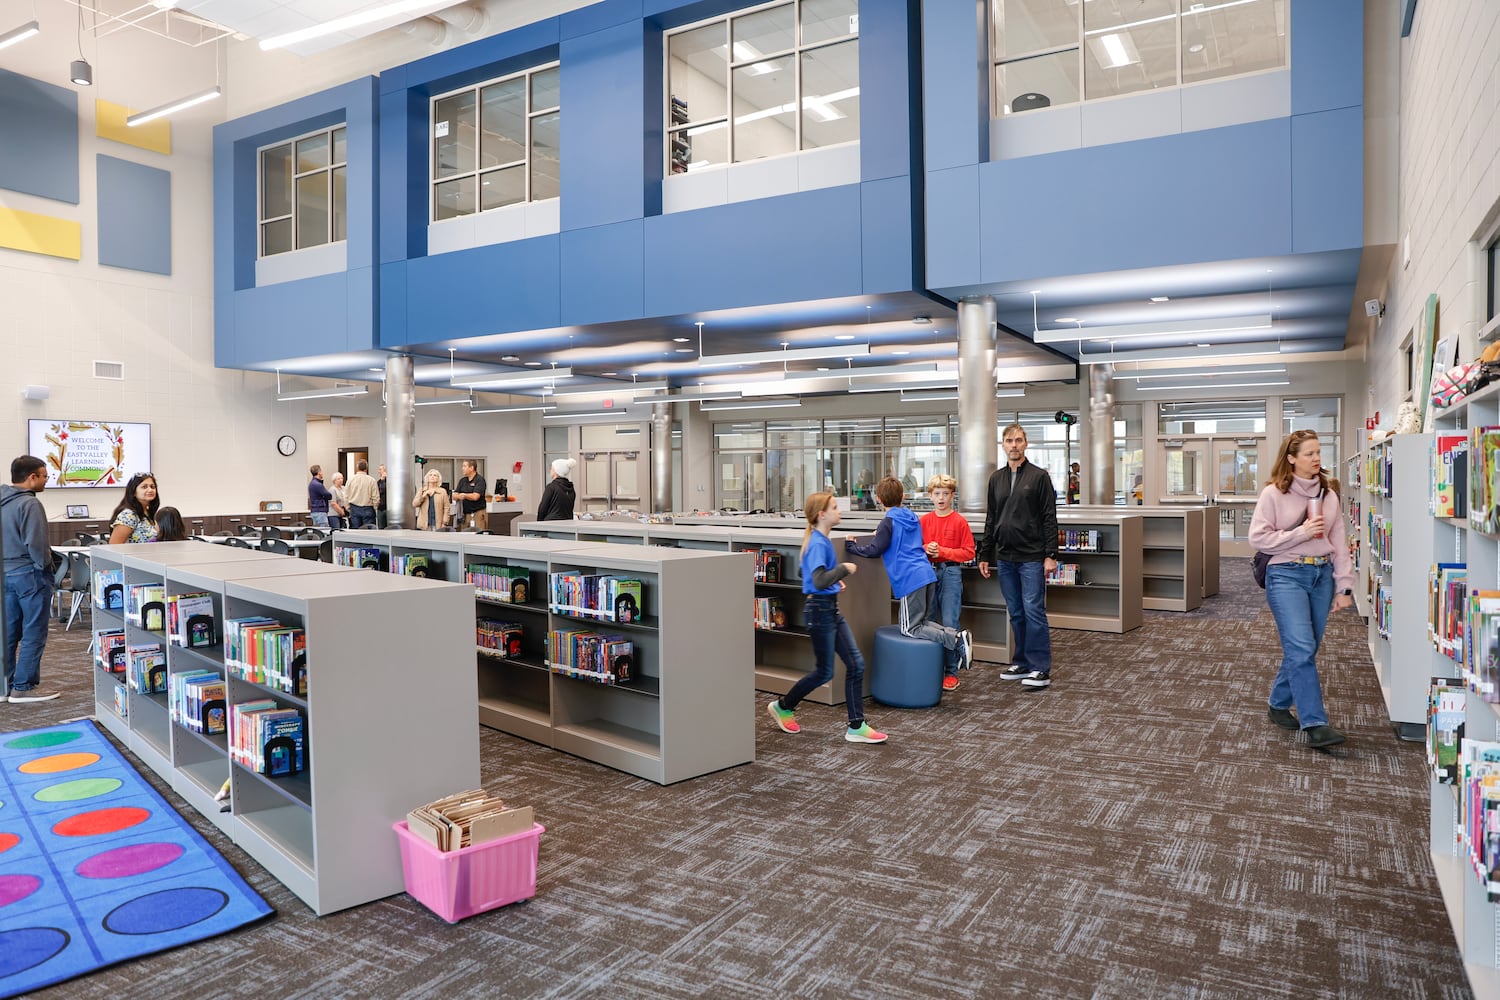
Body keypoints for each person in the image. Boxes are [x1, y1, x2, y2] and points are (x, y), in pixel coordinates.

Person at [1248, 429, 1352, 750]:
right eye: (1309, 453)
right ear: (1291, 459)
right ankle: (1315, 723)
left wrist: (1344, 586)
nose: (1317, 458)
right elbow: (1258, 538)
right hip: (1286, 575)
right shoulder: (1273, 494)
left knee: (1305, 649)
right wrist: (1301, 533)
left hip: (1321, 576)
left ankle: (1278, 703)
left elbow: (1339, 543)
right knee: (1302, 647)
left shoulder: (1329, 494)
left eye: (1318, 452)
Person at [765, 491, 887, 744]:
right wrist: (844, 569)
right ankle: (783, 706)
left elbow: (806, 573)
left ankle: (856, 726)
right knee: (824, 672)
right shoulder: (819, 542)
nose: (839, 510)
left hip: (828, 608)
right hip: (820, 612)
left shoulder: (819, 540)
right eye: (834, 507)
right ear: (822, 515)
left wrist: (834, 582)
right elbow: (818, 580)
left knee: (855, 664)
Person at [846, 476, 972, 669]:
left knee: (909, 628)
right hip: (926, 573)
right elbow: (897, 536)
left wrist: (851, 546)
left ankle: (955, 639)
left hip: (909, 578)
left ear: (878, 499)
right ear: (903, 497)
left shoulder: (888, 522)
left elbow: (873, 550)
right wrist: (880, 533)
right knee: (923, 622)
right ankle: (955, 636)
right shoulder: (911, 516)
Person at [978, 423, 1059, 690]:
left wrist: (1051, 554)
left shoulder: (1038, 477)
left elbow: (1049, 517)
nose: (1014, 445)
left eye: (1019, 440)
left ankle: (1040, 668)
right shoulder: (996, 478)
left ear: (1026, 444)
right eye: (1009, 441)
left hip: (1032, 556)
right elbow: (992, 518)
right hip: (1005, 556)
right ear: (1003, 445)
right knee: (1015, 612)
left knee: (1033, 610)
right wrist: (985, 553)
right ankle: (1022, 661)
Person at [2, 455, 59, 702]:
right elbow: (37, 544)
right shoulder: (30, 504)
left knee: (8, 632)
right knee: (34, 631)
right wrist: (45, 568)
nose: (47, 480)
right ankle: (23, 687)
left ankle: (5, 686)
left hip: (5, 574)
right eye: (45, 475)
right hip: (29, 575)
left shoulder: (3, 502)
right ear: (32, 477)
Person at [921, 474, 976, 691]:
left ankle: (951, 672)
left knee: (950, 622)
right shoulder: (923, 521)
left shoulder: (959, 521)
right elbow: (915, 547)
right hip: (928, 573)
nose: (941, 498)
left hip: (951, 573)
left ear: (952, 496)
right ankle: (930, 668)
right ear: (930, 496)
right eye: (937, 494)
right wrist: (926, 549)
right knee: (928, 621)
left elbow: (969, 552)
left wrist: (942, 551)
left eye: (945, 493)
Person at [108, 472, 161, 543]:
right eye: (144, 487)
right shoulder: (128, 515)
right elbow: (114, 545)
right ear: (134, 492)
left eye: (152, 487)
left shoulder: (148, 513)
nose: (150, 490)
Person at [344, 460, 380, 529]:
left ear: (357, 468)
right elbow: (376, 497)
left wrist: (348, 508)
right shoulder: (371, 480)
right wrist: (375, 507)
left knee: (355, 533)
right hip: (368, 508)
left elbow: (346, 496)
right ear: (366, 468)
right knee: (369, 533)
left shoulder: (350, 480)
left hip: (354, 508)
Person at [454, 459, 488, 531]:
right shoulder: (462, 481)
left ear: (471, 468)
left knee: (478, 534)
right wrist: (458, 496)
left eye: (464, 466)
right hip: (465, 514)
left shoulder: (480, 480)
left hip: (477, 513)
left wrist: (464, 495)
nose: (462, 468)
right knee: (465, 534)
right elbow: (454, 495)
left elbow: (475, 496)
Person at [376, 464, 389, 529]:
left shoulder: (390, 481)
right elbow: (378, 492)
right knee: (381, 527)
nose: (379, 471)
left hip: (388, 508)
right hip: (380, 508)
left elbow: (383, 490)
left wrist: (383, 480)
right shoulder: (378, 482)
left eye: (380, 469)